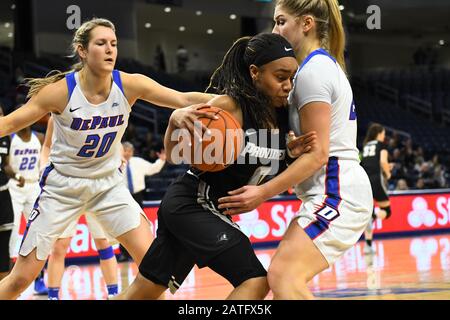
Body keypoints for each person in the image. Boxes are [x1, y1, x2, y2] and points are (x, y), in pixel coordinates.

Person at [0, 17, 215, 300]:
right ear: (82, 51)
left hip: (108, 186)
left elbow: (183, 98)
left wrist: (232, 102)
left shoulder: (128, 84)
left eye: (113, 43)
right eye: (101, 43)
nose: (110, 49)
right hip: (63, 188)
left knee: (155, 269)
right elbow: (8, 124)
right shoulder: (61, 92)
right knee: (20, 280)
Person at [115, 33, 312, 300]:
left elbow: (257, 167)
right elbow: (174, 156)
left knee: (145, 292)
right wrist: (174, 121)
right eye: (280, 77)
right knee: (255, 280)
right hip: (193, 201)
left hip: (201, 209)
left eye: (292, 78)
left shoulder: (283, 116)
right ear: (255, 72)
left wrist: (288, 155)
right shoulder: (228, 108)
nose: (288, 85)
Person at [217, 0, 373, 299]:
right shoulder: (314, 68)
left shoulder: (313, 72)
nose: (275, 30)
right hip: (329, 188)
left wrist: (263, 193)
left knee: (283, 276)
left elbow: (319, 154)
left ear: (306, 24)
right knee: (281, 282)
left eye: (280, 21)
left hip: (337, 190)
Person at [41, 116, 120, 300]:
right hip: (67, 187)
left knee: (104, 244)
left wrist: (119, 159)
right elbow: (46, 146)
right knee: (60, 246)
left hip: (96, 184)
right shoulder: (57, 116)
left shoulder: (103, 113)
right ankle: (53, 296)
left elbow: (116, 143)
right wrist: (42, 167)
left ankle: (113, 293)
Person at [6, 106, 47, 295]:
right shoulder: (11, 137)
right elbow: (5, 165)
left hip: (33, 187)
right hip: (14, 188)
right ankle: (9, 281)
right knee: (13, 234)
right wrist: (15, 175)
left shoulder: (38, 138)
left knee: (36, 233)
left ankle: (39, 279)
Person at [118, 141, 166, 261]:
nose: (128, 153)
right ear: (121, 151)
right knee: (123, 225)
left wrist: (162, 160)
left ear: (133, 152)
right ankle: (124, 253)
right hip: (123, 196)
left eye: (130, 150)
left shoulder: (138, 162)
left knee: (139, 224)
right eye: (125, 150)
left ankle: (141, 253)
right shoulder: (116, 164)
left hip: (138, 196)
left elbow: (152, 169)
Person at [360, 123, 393, 254]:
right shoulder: (381, 145)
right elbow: (383, 162)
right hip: (376, 181)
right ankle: (373, 215)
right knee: (387, 211)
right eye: (384, 134)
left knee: (369, 215)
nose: (384, 136)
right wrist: (388, 174)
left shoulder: (366, 146)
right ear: (379, 133)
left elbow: (366, 163)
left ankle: (368, 246)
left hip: (364, 182)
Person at [0, 105, 16, 282]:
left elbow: (5, 164)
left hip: (4, 194)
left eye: (2, 114)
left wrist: (17, 175)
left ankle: (4, 290)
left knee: (4, 245)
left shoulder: (5, 138)